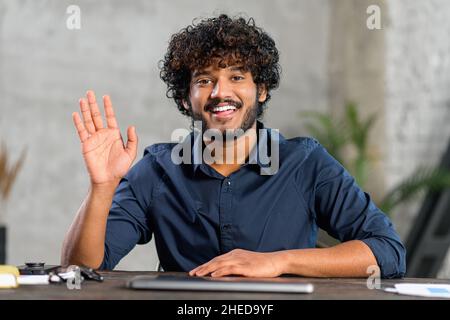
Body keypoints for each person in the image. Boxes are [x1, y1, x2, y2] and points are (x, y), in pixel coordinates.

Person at [61, 14, 406, 278]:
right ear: (185, 100)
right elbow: (82, 269)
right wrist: (102, 187)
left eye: (237, 77)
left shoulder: (305, 163)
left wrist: (277, 261)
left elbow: (387, 251)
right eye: (204, 80)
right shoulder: (157, 170)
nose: (220, 92)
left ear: (262, 90)